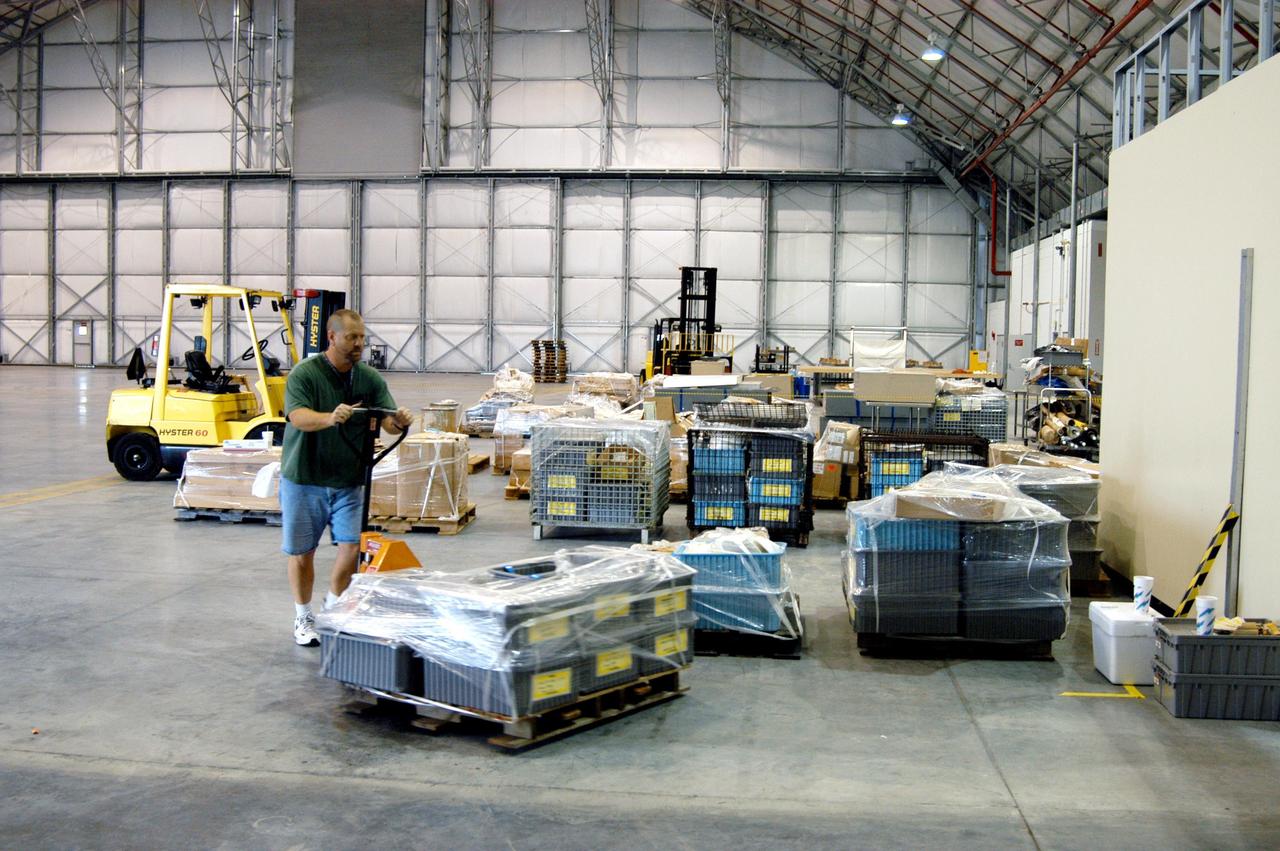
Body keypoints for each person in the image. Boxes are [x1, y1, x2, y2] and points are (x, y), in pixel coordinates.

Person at [280, 308, 413, 646]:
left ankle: (333, 607)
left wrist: (398, 421)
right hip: (305, 479)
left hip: (349, 479)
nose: (358, 344)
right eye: (352, 337)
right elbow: (297, 416)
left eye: (362, 338)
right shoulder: (305, 374)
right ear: (332, 337)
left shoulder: (368, 378)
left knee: (352, 547)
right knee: (302, 553)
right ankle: (303, 615)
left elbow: (387, 420)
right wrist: (329, 417)